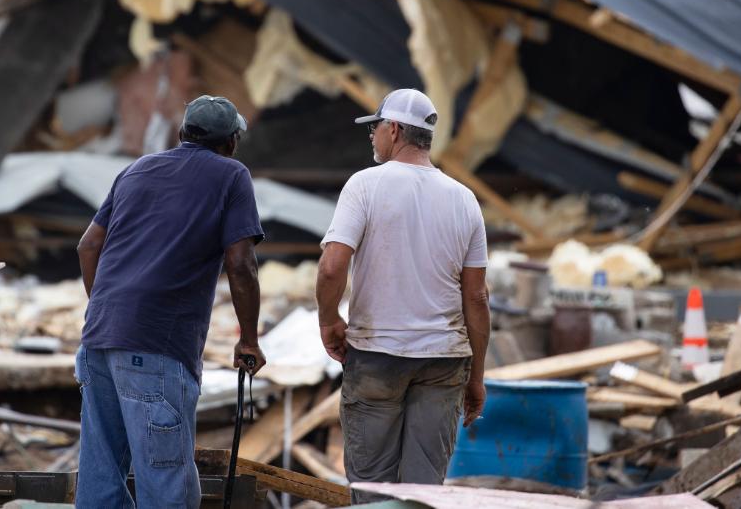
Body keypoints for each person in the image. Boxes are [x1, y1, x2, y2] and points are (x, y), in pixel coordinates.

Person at [75, 95, 267, 508]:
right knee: (166, 486)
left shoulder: (136, 169)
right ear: (231, 142)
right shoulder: (232, 176)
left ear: (181, 134)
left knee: (100, 475)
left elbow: (88, 245)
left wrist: (108, 310)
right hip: (156, 349)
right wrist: (248, 339)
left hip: (99, 340)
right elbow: (240, 263)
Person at [314, 89, 491, 503]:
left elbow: (331, 267)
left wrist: (329, 320)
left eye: (375, 128)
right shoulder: (464, 200)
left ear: (393, 130)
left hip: (378, 355)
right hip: (444, 361)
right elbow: (477, 298)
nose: (372, 136)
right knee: (421, 494)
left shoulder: (365, 185)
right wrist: (477, 376)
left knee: (372, 491)